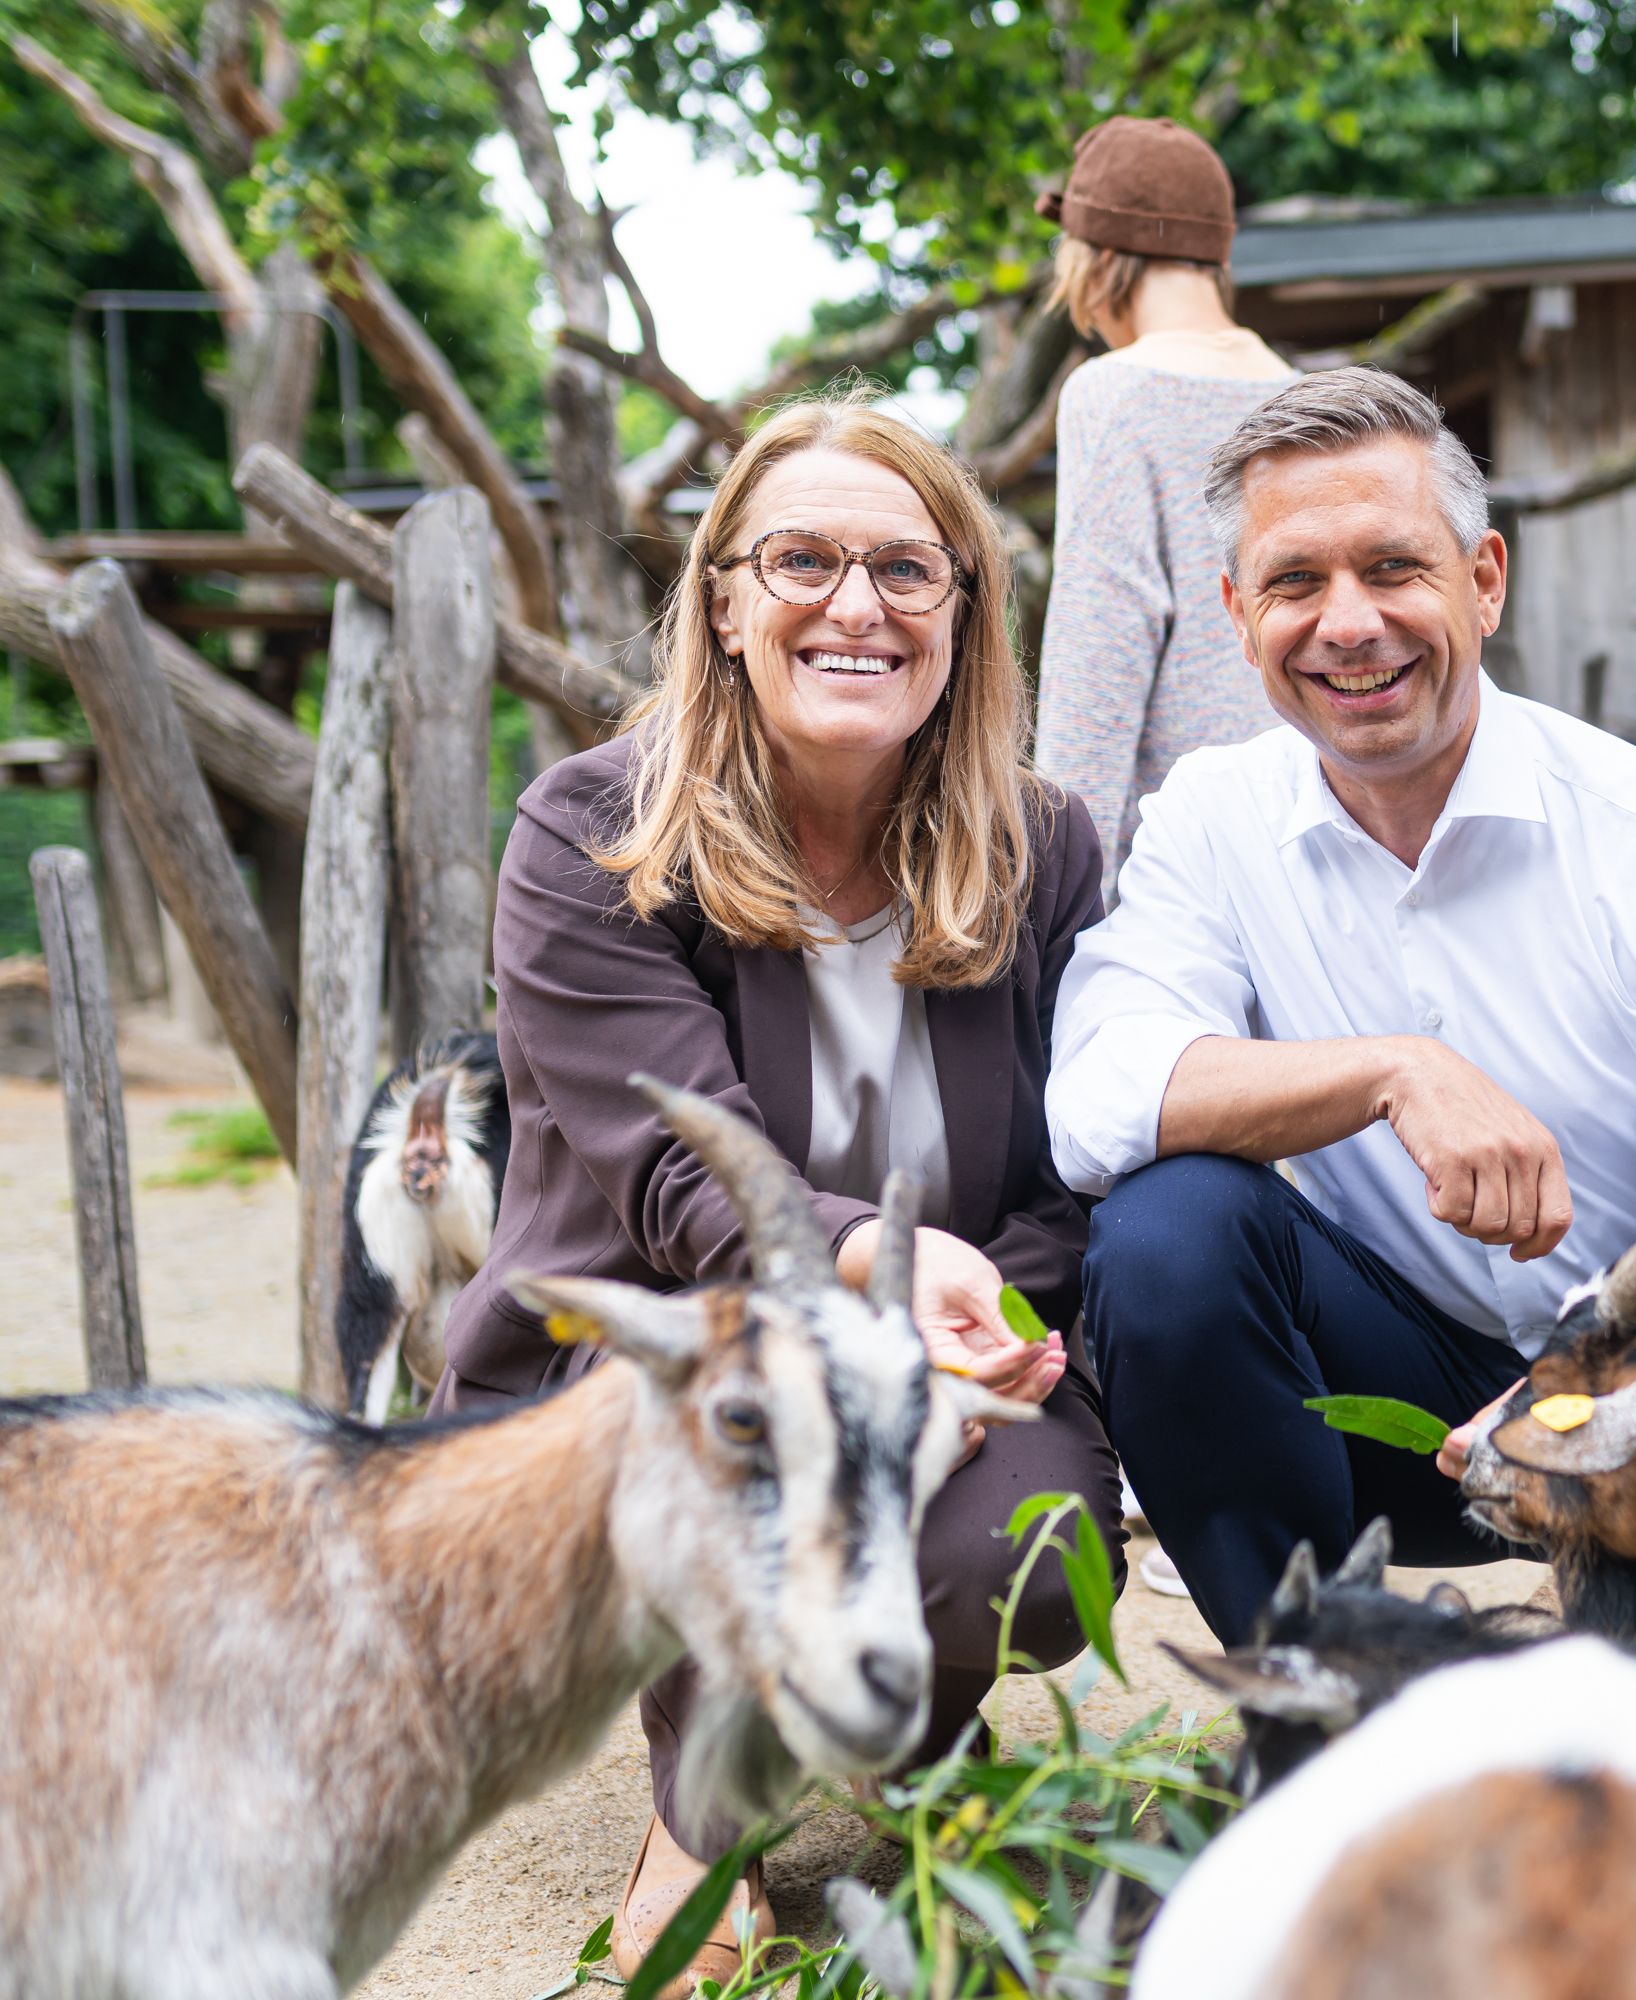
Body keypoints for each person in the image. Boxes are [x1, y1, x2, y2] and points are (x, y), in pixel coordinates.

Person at [434, 395, 1122, 1993]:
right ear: (725, 602)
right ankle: (706, 1805)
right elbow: (682, 1176)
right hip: (666, 1339)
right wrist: (883, 1272)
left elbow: (1085, 1155)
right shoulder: (595, 832)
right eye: (801, 559)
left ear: (964, 603)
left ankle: (904, 1719)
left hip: (968, 1341)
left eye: (905, 567)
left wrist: (977, 1323)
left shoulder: (1045, 847)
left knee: (1017, 1551)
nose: (855, 605)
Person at [1046, 367, 1636, 1664]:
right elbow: (1098, 1095)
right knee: (1168, 1232)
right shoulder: (1212, 818)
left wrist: (1576, 1399)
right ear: (1234, 611)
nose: (1349, 623)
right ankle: (1305, 1690)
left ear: (1485, 580)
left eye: (1394, 568)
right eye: (1294, 583)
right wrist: (1392, 1071)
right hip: (1403, 1416)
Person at [1033, 114, 1298, 896]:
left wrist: (1055, 903)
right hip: (1317, 846)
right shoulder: (1312, 397)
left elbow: (1101, 658)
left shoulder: (1115, 392)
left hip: (1177, 872)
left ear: (1094, 259)